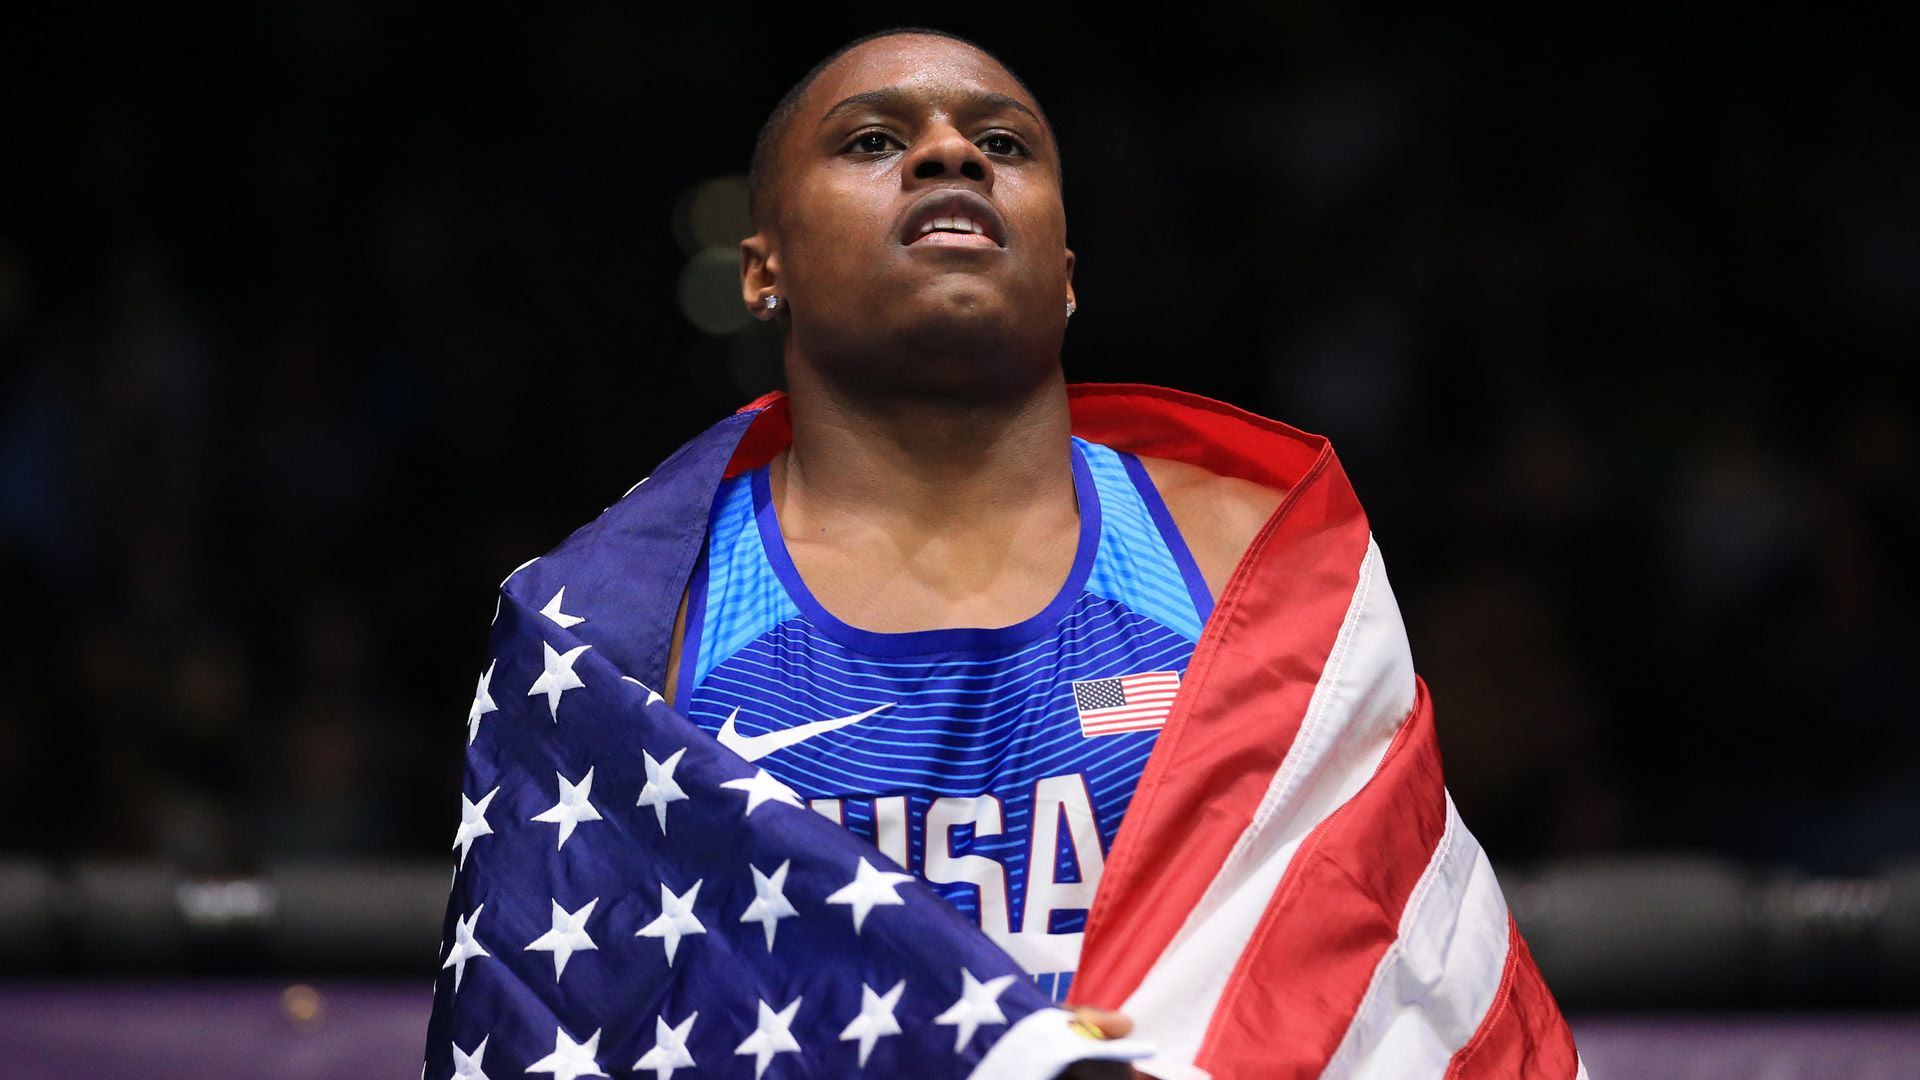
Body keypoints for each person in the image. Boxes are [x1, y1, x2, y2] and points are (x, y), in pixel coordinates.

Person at [426, 28, 1583, 1080]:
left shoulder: (1244, 557)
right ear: (760, 269)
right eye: (876, 139)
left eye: (1004, 145)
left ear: (1067, 271)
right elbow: (590, 1026)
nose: (951, 158)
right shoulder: (629, 628)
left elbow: (1384, 977)